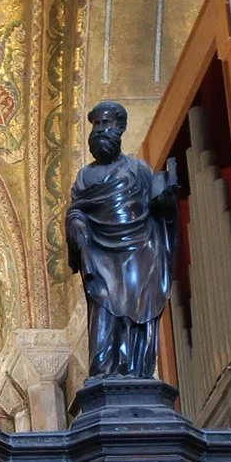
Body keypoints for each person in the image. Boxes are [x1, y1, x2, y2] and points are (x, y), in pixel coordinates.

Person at [64, 100, 182, 379]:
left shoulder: (138, 170)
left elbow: (158, 209)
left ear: (121, 127)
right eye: (97, 124)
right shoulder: (86, 176)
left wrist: (166, 201)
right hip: (101, 255)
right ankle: (105, 371)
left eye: (108, 123)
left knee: (138, 310)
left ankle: (136, 371)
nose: (102, 130)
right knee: (104, 310)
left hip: (140, 253)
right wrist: (77, 225)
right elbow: (76, 209)